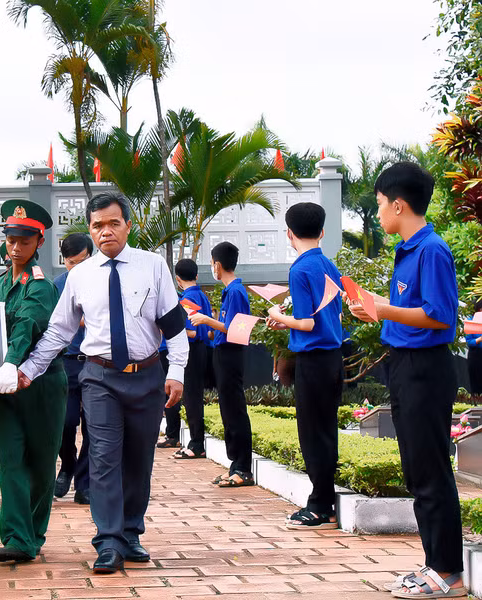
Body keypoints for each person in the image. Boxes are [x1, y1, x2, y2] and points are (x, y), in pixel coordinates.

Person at [15, 191, 188, 574]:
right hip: (99, 378)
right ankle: (108, 542)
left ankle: (130, 533)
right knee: (104, 458)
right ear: (90, 231)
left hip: (147, 377)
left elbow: (174, 327)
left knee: (139, 459)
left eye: (113, 223)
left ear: (128, 225)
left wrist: (176, 372)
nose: (105, 231)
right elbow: (58, 333)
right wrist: (28, 369)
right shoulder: (79, 276)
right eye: (98, 226)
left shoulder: (153, 266)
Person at [349, 162, 466, 598]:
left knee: (431, 471)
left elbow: (440, 317)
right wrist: (376, 303)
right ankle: (434, 564)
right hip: (403, 364)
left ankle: (448, 573)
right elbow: (412, 309)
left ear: (399, 204)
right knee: (418, 471)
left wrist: (384, 310)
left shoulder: (431, 249)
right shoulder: (409, 249)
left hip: (424, 368)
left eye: (380, 204)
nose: (378, 213)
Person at [0, 199, 67, 564]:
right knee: (10, 459)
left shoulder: (41, 286)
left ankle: (33, 534)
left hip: (42, 385)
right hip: (8, 386)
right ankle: (17, 537)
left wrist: (12, 362)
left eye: (25, 241)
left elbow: (27, 326)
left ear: (39, 242)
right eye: (11, 240)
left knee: (40, 461)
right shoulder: (1, 284)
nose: (16, 248)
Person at [265, 203, 343, 529]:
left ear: (289, 234)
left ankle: (319, 505)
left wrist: (278, 316)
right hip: (333, 358)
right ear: (322, 231)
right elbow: (327, 317)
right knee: (326, 431)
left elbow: (308, 323)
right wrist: (291, 323)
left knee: (311, 434)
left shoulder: (299, 270)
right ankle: (324, 500)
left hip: (312, 360)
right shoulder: (328, 265)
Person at [189, 242, 254, 488]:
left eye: (211, 264)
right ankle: (235, 465)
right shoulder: (231, 291)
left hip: (231, 353)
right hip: (223, 352)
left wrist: (207, 320)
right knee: (228, 409)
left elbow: (236, 328)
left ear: (217, 265)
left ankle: (242, 468)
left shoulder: (236, 291)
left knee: (235, 409)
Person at [53, 232, 92, 504]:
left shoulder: (102, 281)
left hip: (95, 362)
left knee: (95, 426)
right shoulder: (57, 285)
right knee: (64, 423)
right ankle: (67, 464)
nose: (77, 268)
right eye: (71, 262)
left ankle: (85, 483)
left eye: (83, 261)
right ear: (63, 261)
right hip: (66, 362)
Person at [168, 258, 213, 460]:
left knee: (192, 399)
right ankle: (196, 442)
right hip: (204, 350)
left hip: (192, 351)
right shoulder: (202, 296)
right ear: (196, 275)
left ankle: (196, 444)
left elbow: (192, 332)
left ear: (178, 279)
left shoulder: (186, 299)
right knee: (195, 398)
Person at [468, 298, 482, 395]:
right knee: (477, 383)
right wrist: (480, 339)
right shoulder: (471, 321)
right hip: (476, 354)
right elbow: (470, 342)